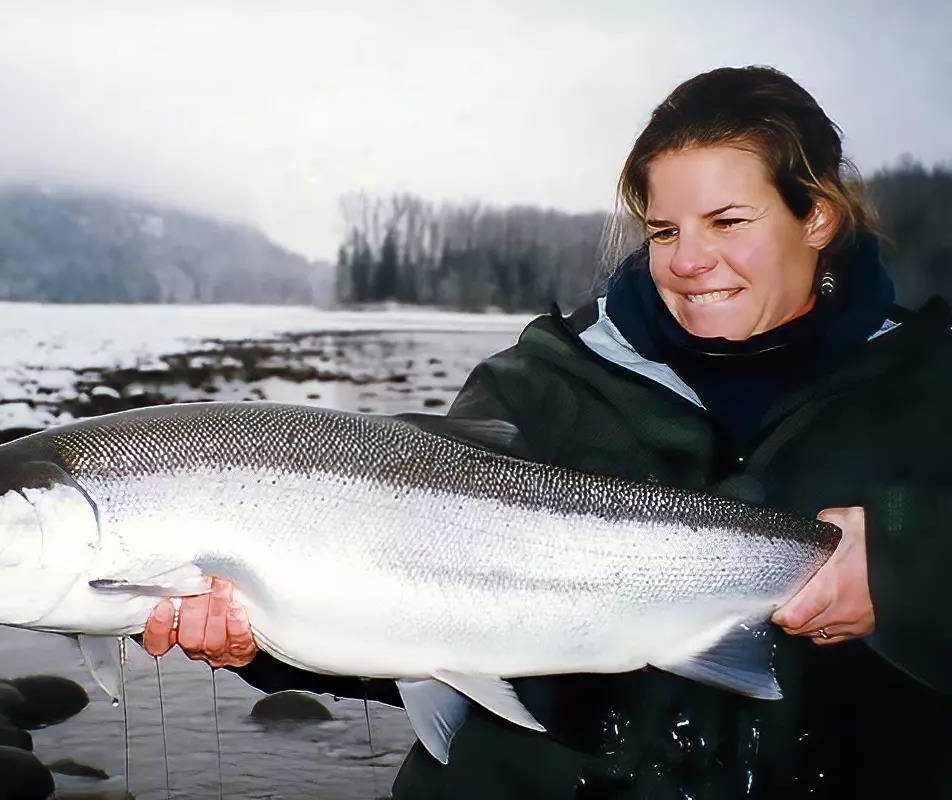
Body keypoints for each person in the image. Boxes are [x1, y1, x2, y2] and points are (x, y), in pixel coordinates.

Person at [142, 65, 952, 797]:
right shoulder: (536, 387)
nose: (688, 260)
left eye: (728, 220)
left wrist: (906, 569)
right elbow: (416, 626)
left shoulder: (931, 385)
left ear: (816, 216)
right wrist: (265, 638)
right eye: (666, 231)